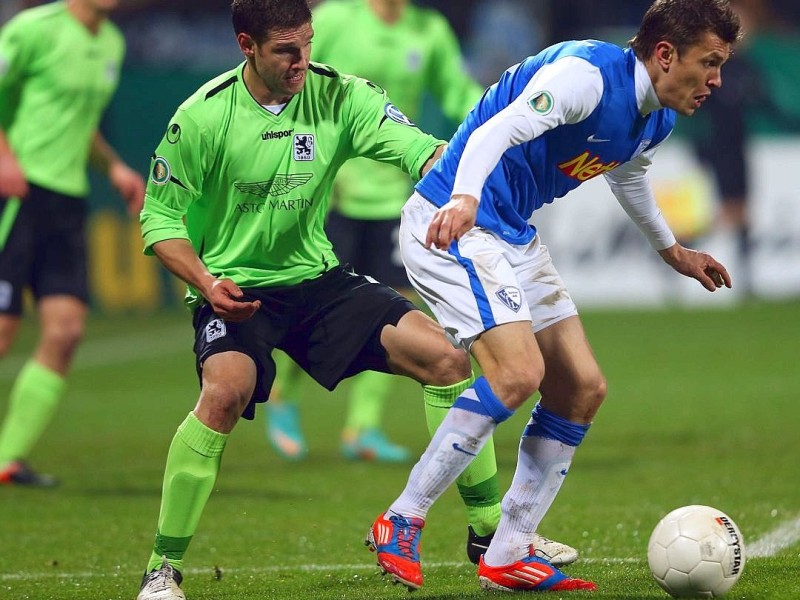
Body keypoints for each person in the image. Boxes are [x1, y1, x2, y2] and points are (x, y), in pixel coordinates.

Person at [367, 0, 741, 592]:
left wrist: (674, 251)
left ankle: (508, 550)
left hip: (511, 230)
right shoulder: (584, 78)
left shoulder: (656, 116)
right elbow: (496, 129)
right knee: (517, 374)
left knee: (580, 387)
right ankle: (403, 518)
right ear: (666, 56)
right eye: (711, 63)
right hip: (454, 219)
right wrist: (464, 199)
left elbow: (629, 174)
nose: (717, 80)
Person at [135, 1, 476, 598]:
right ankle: (162, 568)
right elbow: (159, 219)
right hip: (234, 287)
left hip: (317, 282)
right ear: (248, 45)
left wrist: (470, 176)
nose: (303, 61)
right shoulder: (202, 117)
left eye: (308, 45)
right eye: (286, 51)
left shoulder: (340, 96)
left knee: (448, 359)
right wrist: (206, 284)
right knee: (223, 393)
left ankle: (493, 534)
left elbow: (419, 148)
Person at [266, 0, 483, 466]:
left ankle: (362, 428)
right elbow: (293, 87)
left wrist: (499, 122)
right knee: (311, 304)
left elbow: (457, 92)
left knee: (395, 308)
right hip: (329, 188)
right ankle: (282, 396)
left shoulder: (429, 30)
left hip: (392, 195)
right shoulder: (336, 19)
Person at [0, 0, 145, 487]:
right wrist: (4, 158)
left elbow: (77, 126)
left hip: (66, 203)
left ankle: (7, 459)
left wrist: (114, 167)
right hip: (17, 193)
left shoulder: (111, 42)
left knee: (65, 331)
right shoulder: (33, 30)